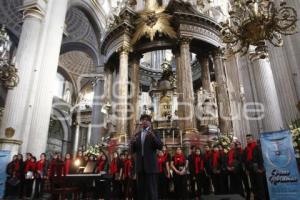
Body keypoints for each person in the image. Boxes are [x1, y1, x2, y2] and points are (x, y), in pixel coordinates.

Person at [131, 114, 163, 200]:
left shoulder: (155, 132)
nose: (144, 121)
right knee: (141, 191)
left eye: (146, 120)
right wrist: (133, 142)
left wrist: (153, 136)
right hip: (140, 166)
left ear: (150, 122)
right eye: (142, 120)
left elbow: (160, 146)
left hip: (150, 166)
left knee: (152, 190)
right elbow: (132, 150)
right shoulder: (137, 134)